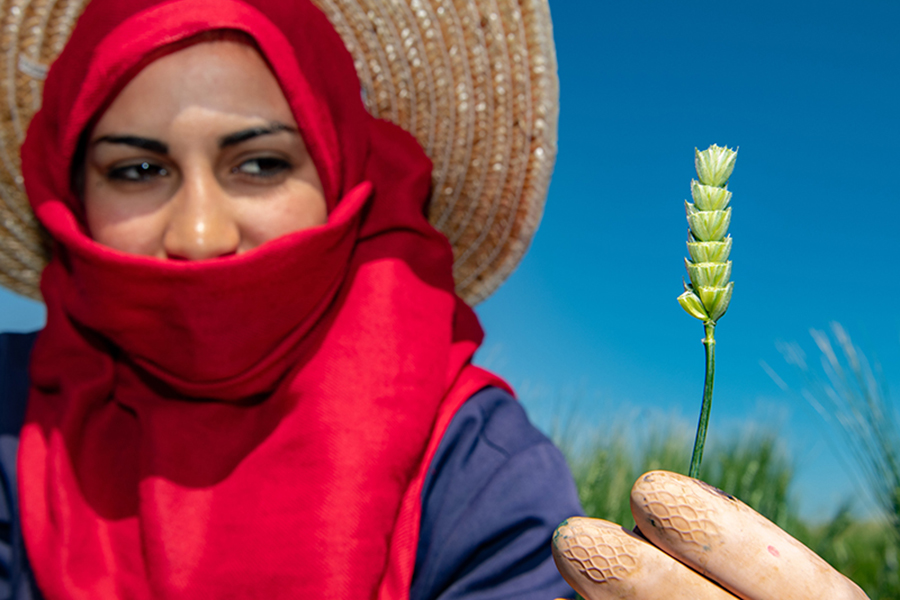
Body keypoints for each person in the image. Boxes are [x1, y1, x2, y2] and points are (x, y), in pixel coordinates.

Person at [0, 1, 871, 599]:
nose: (197, 233)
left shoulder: (478, 467)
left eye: (259, 161)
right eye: (137, 169)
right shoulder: (10, 418)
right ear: (68, 195)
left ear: (345, 180)